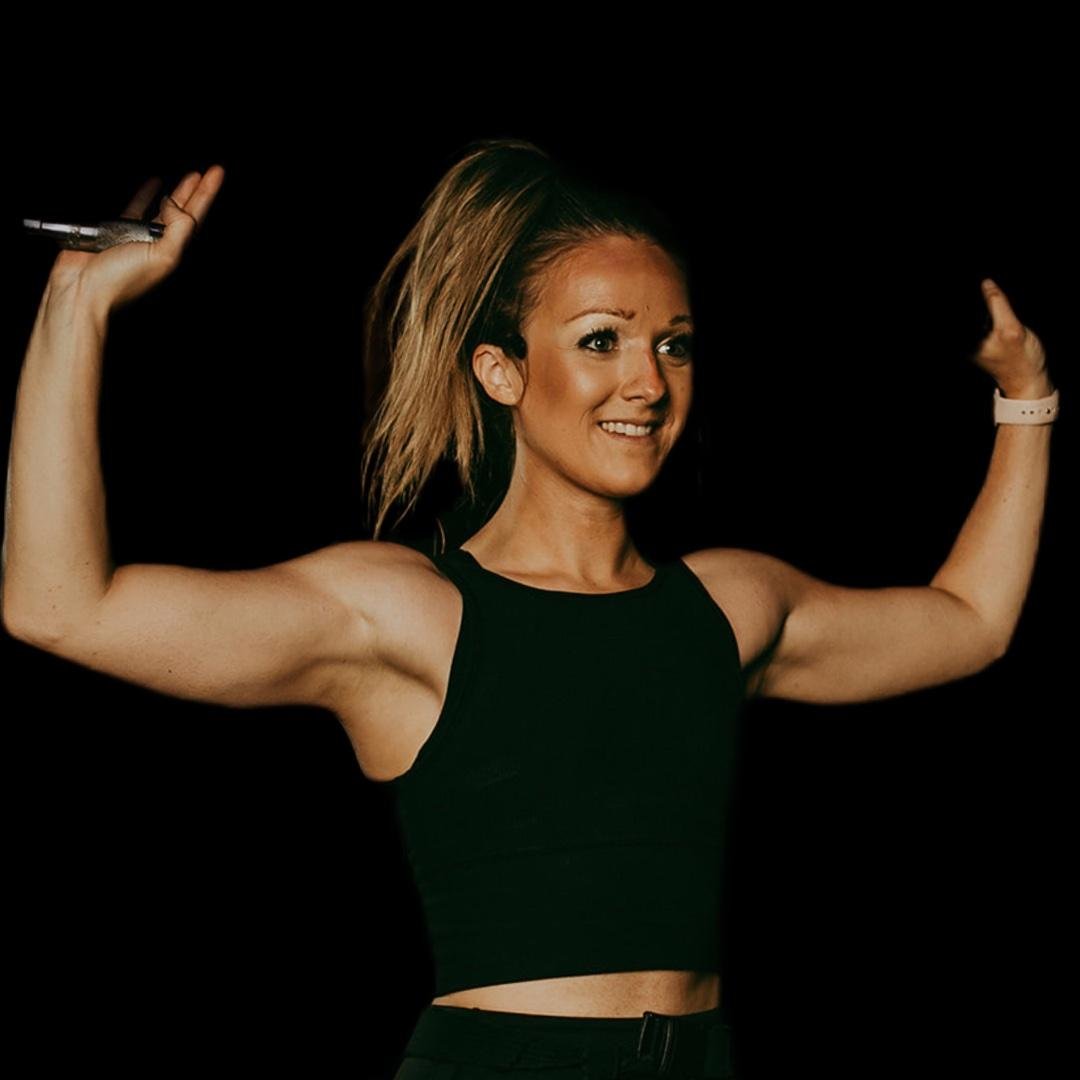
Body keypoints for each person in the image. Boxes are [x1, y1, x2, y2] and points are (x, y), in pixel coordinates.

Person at [1, 138, 1058, 1079]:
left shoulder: (730, 606)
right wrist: (75, 308)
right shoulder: (407, 614)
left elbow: (970, 622)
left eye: (675, 343)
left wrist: (1026, 398)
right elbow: (59, 604)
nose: (648, 382)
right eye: (601, 340)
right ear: (501, 372)